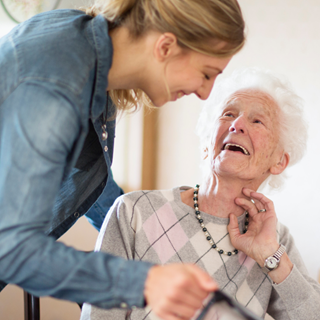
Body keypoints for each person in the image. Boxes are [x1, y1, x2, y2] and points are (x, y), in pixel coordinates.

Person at [0, 0, 245, 318]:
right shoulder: (58, 84)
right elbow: (11, 248)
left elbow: (89, 179)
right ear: (166, 46)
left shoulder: (90, 56)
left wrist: (150, 246)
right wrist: (146, 282)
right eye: (206, 73)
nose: (205, 93)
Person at [80, 68, 320, 320]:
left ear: (279, 162)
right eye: (228, 114)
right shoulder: (134, 210)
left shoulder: (275, 241)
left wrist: (270, 256)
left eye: (257, 121)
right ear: (207, 143)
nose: (237, 125)